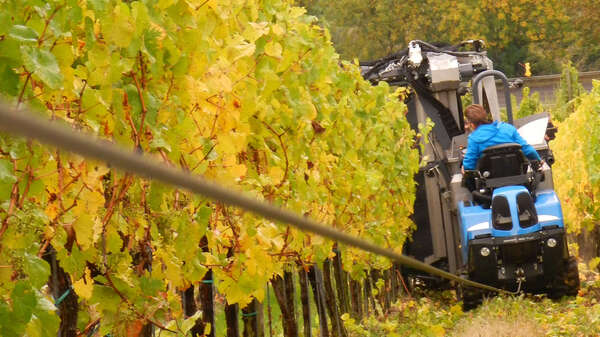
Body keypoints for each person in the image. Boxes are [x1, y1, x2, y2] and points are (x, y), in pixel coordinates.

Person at [462, 104, 541, 170]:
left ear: (471, 123)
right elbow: (528, 151)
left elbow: (469, 166)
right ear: (485, 116)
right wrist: (539, 161)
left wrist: (464, 169)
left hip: (489, 182)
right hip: (518, 176)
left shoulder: (474, 138)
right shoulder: (508, 128)